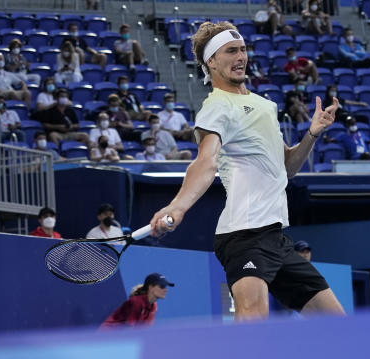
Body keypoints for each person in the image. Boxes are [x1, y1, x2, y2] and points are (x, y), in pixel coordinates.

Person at [148, 22, 345, 320]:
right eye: (230, 51)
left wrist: (312, 134)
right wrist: (178, 205)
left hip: (275, 236)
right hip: (244, 234)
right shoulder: (216, 107)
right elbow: (206, 161)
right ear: (211, 61)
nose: (240, 56)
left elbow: (287, 168)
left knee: (338, 324)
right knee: (254, 322)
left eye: (242, 49)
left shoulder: (264, 106)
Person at [100, 273, 173, 328]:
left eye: (166, 287)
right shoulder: (137, 302)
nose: (165, 290)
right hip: (107, 335)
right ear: (151, 287)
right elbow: (130, 329)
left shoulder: (154, 306)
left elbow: (146, 330)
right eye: (162, 286)